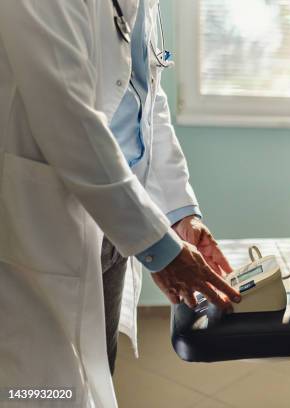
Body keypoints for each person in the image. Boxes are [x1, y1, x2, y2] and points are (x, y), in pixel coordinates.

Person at [0, 1, 240, 407]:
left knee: (95, 368)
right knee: (36, 390)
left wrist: (178, 213)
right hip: (42, 219)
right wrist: (158, 245)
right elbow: (67, 117)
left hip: (117, 226)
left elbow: (147, 100)